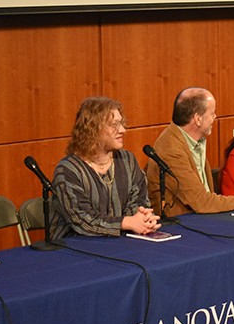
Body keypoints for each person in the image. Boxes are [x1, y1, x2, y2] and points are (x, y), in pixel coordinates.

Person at [147, 87, 234, 217]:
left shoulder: (194, 141)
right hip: (182, 224)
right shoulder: (171, 149)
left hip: (202, 218)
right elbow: (201, 202)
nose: (215, 117)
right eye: (212, 113)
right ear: (198, 119)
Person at [49, 97, 160, 240]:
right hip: (76, 247)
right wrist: (126, 222)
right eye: (114, 125)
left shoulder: (127, 160)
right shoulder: (68, 170)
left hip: (122, 241)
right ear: (93, 129)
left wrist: (143, 219)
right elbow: (82, 220)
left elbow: (139, 202)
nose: (122, 130)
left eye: (121, 123)